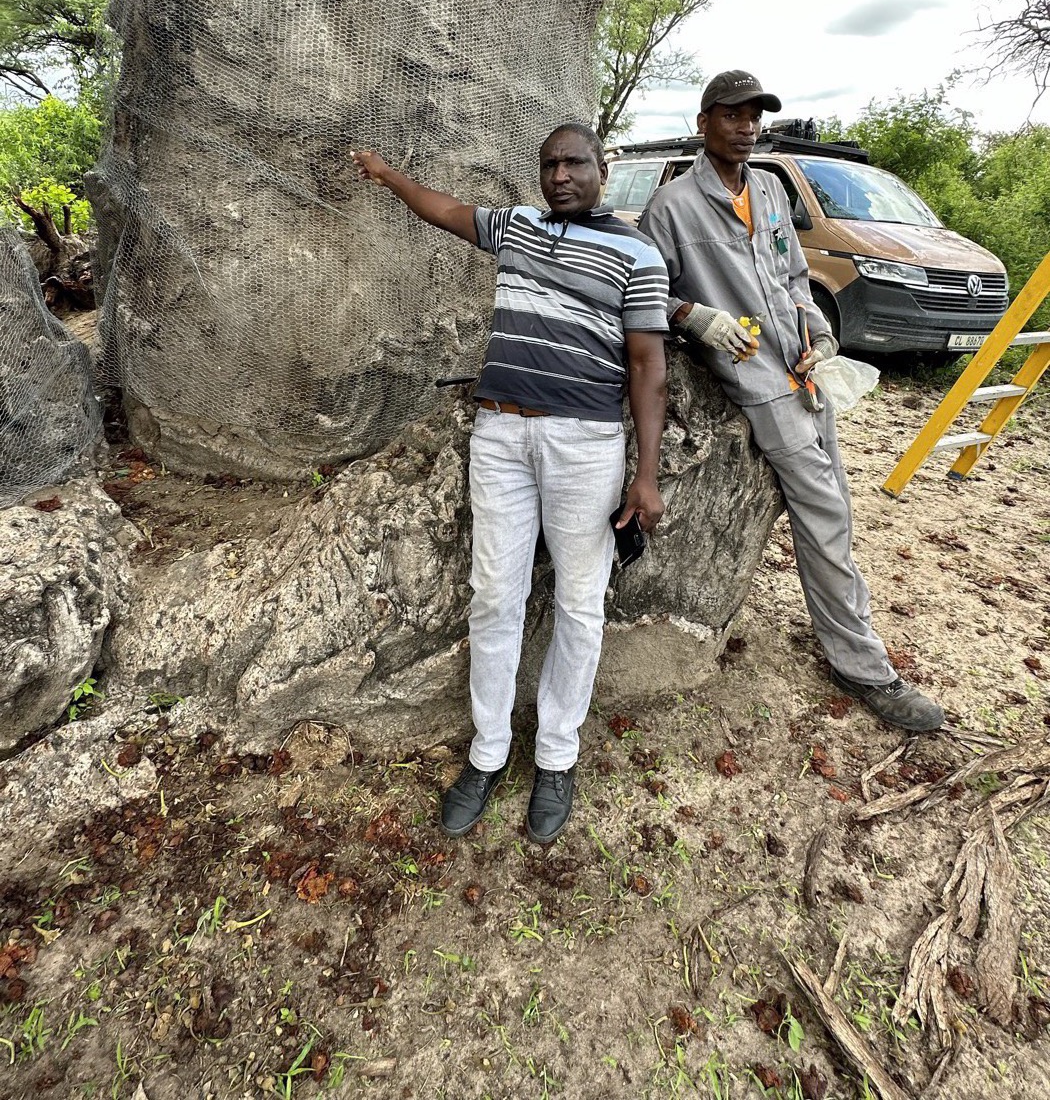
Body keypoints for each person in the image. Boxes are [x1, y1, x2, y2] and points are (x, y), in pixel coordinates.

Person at [354, 124, 670, 842]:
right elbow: (446, 211)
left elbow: (649, 367)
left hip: (584, 444)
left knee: (581, 602)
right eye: (550, 164)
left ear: (602, 168)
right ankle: (489, 749)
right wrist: (388, 173)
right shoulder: (520, 228)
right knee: (496, 593)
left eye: (575, 163)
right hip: (499, 435)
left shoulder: (638, 254)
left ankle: (558, 755)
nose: (560, 175)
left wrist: (645, 474)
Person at [638, 71, 943, 733]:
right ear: (703, 122)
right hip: (757, 385)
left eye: (754, 116)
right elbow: (639, 294)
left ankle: (848, 630)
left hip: (806, 375)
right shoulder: (673, 207)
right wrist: (693, 315)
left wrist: (820, 332)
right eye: (732, 115)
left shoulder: (772, 190)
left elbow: (795, 278)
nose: (746, 127)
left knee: (837, 504)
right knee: (826, 513)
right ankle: (863, 666)